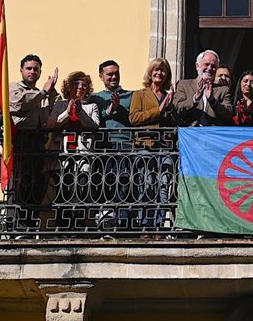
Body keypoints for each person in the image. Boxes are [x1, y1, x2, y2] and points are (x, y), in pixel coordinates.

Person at [7, 54, 59, 232]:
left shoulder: (42, 93)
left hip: (39, 142)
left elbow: (55, 110)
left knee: (37, 185)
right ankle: (14, 227)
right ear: (21, 70)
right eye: (29, 68)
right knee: (19, 185)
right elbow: (16, 104)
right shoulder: (14, 87)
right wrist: (43, 92)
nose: (32, 72)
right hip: (19, 141)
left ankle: (30, 227)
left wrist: (51, 91)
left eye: (36, 69)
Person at [47, 71, 100, 231]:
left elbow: (94, 126)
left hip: (83, 157)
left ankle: (77, 229)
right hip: (62, 157)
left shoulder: (91, 106)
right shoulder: (60, 104)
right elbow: (51, 124)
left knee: (81, 191)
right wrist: (67, 113)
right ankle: (61, 229)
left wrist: (80, 112)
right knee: (62, 191)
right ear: (69, 86)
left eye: (84, 85)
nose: (80, 87)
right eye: (77, 83)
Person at [129, 58, 178, 228]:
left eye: (163, 70)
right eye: (156, 70)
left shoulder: (169, 96)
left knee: (163, 186)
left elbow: (174, 123)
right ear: (150, 73)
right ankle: (145, 225)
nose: (159, 73)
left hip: (164, 146)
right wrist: (159, 110)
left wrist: (170, 109)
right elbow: (134, 118)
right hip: (145, 145)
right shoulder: (139, 94)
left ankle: (158, 225)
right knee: (146, 185)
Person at [87, 60, 134, 230]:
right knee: (105, 183)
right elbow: (91, 120)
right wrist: (108, 111)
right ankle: (106, 224)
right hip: (103, 146)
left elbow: (136, 118)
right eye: (109, 74)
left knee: (125, 183)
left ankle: (124, 223)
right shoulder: (95, 98)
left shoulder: (130, 96)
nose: (114, 77)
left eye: (116, 73)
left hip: (125, 145)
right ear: (101, 77)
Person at [173, 49, 232, 126]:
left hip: (212, 135)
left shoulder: (223, 90)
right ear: (198, 66)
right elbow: (176, 109)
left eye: (213, 66)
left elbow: (228, 114)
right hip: (190, 134)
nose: (210, 68)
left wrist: (212, 100)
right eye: (206, 64)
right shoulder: (183, 85)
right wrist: (195, 99)